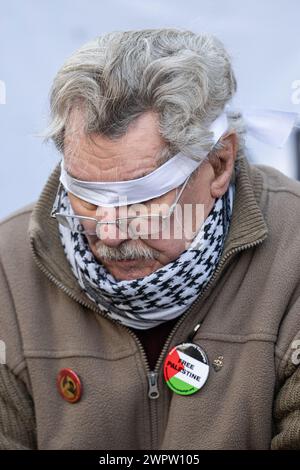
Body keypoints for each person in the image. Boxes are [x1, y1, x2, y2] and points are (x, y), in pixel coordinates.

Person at [0, 28, 300, 450]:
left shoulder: (294, 253)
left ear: (218, 164)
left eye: (141, 199)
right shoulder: (9, 267)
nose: (110, 233)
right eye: (85, 197)